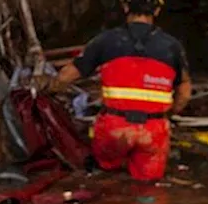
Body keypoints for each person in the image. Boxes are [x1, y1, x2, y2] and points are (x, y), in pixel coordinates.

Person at [52, 0, 192, 181]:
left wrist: (46, 90)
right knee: (148, 185)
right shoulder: (173, 46)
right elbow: (184, 92)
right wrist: (168, 114)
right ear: (157, 10)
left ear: (125, 7)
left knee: (106, 179)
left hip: (114, 128)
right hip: (153, 130)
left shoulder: (105, 40)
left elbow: (66, 76)